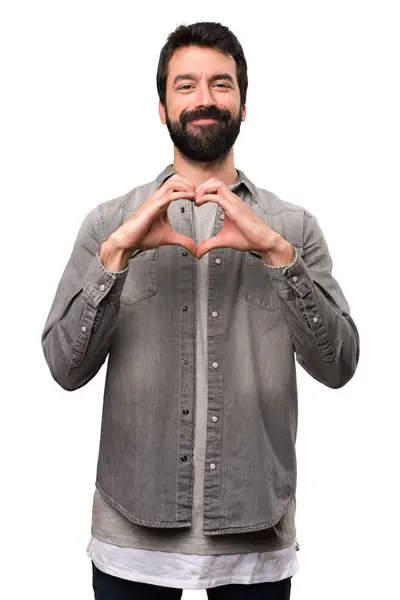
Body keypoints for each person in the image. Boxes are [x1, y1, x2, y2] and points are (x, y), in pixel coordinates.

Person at [41, 21, 360, 600]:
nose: (205, 99)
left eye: (222, 84)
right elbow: (65, 369)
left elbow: (339, 367)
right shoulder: (106, 224)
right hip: (130, 538)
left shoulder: (293, 228)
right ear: (162, 107)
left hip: (256, 539)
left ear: (243, 103)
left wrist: (278, 257)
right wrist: (115, 258)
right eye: (185, 86)